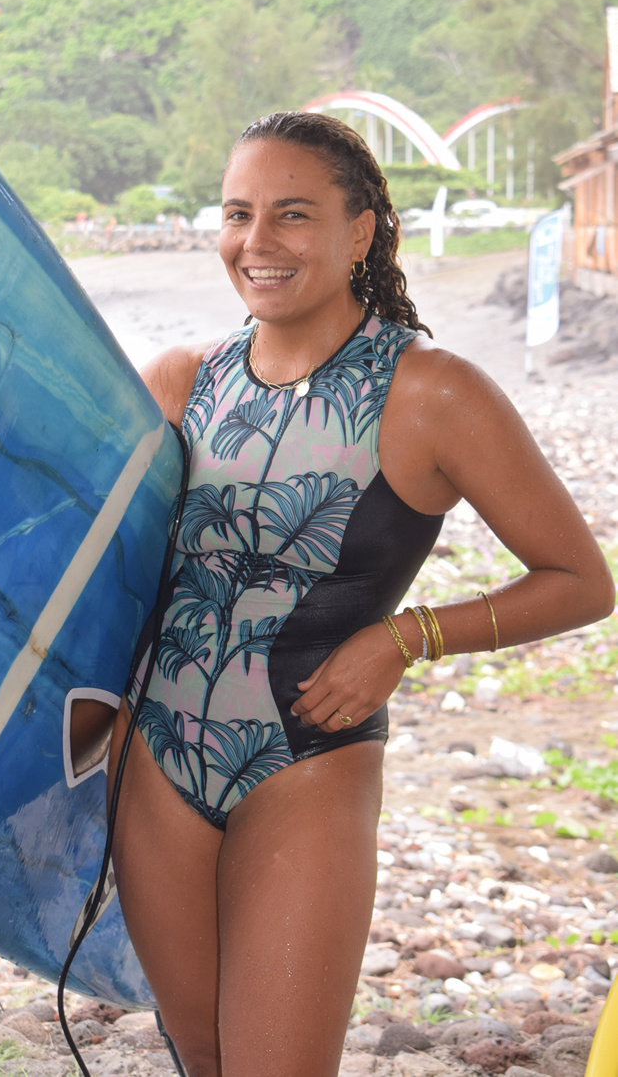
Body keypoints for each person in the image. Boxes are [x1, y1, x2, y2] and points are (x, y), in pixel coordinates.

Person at [107, 110, 615, 1077]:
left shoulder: (432, 393)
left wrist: (407, 637)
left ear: (360, 233)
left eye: (293, 214)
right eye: (238, 214)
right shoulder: (180, 381)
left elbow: (581, 582)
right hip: (154, 761)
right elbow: (74, 584)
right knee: (203, 1055)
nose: (257, 241)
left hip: (306, 763)